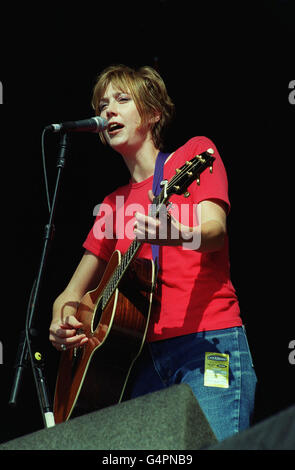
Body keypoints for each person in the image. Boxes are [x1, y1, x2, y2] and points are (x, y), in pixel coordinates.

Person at [49, 64, 257, 441]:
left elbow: (215, 233)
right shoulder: (110, 206)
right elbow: (70, 295)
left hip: (207, 343)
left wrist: (176, 234)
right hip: (138, 362)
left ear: (153, 113)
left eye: (121, 100)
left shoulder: (194, 155)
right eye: (103, 103)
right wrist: (62, 322)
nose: (108, 110)